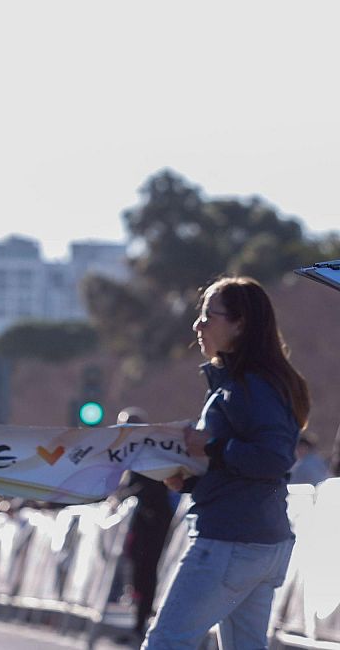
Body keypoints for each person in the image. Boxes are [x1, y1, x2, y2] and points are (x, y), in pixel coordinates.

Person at [144, 276, 310, 650]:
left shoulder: (248, 386)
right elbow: (251, 463)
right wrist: (190, 480)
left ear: (240, 324)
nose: (197, 325)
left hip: (229, 541)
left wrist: (214, 447)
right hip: (260, 541)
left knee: (166, 644)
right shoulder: (255, 383)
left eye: (208, 316)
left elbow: (273, 458)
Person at [113, 406, 175, 645]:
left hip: (154, 519)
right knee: (137, 573)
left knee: (147, 572)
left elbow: (151, 486)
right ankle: (137, 624)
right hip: (141, 519)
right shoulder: (131, 451)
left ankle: (141, 626)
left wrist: (124, 494)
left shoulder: (150, 448)